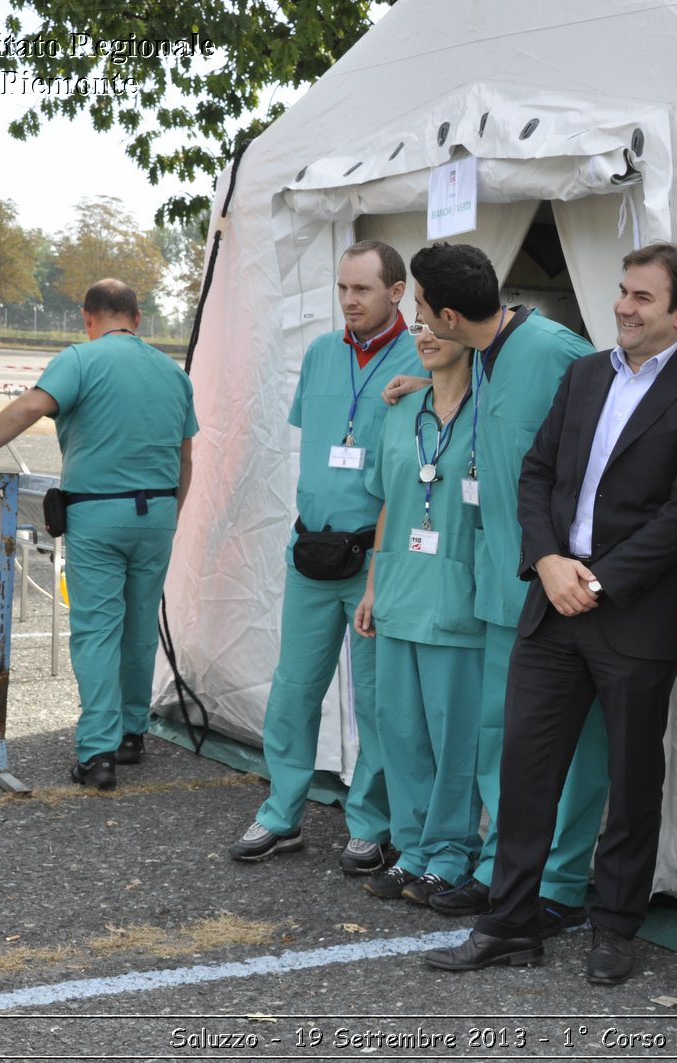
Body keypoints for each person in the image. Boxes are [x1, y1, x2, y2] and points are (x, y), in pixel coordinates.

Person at [423, 243, 677, 982]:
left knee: (632, 780)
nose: (624, 307)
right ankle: (508, 922)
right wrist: (548, 561)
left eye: (643, 298)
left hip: (632, 616)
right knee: (526, 767)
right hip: (551, 605)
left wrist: (595, 580)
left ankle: (616, 925)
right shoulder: (585, 372)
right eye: (623, 291)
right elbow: (536, 473)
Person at [392, 242, 607, 932]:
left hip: (559, 590)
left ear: (449, 313)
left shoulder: (554, 350)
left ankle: (561, 880)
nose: (415, 321)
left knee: (570, 752)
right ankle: (498, 868)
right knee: (499, 739)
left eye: (420, 308)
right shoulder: (481, 355)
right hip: (498, 584)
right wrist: (422, 386)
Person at [0, 279, 196, 791]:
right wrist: (171, 512)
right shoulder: (174, 373)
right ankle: (133, 734)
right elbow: (185, 456)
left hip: (98, 513)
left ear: (89, 316)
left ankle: (97, 751)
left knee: (97, 631)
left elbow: (27, 408)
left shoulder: (81, 359)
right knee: (139, 628)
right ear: (138, 318)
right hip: (159, 512)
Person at [225, 241, 419, 868]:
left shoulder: (424, 357)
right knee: (293, 689)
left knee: (376, 700)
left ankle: (371, 821)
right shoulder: (318, 354)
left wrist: (421, 386)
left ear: (397, 292)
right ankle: (282, 813)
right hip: (311, 551)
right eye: (342, 288)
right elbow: (320, 446)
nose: (349, 301)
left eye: (362, 289)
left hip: (373, 561)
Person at [352, 327, 483, 903]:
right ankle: (412, 847)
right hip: (400, 587)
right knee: (400, 728)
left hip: (457, 593)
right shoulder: (400, 407)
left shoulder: (492, 409)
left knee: (454, 733)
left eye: (439, 321)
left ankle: (452, 850)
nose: (426, 334)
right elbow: (389, 502)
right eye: (420, 321)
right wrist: (373, 587)